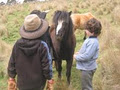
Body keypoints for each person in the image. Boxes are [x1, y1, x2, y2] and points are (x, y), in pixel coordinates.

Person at [7, 14, 53, 90]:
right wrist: (49, 78)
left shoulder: (17, 44)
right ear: (40, 29)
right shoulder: (42, 45)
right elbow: (47, 65)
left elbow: (12, 63)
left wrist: (11, 77)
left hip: (22, 84)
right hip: (38, 84)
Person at [74, 18, 102, 90]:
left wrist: (76, 56)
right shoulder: (90, 39)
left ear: (92, 32)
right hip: (87, 67)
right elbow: (87, 51)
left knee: (86, 87)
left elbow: (86, 56)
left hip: (87, 68)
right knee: (86, 84)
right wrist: (79, 53)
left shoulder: (92, 42)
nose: (85, 31)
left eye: (86, 29)